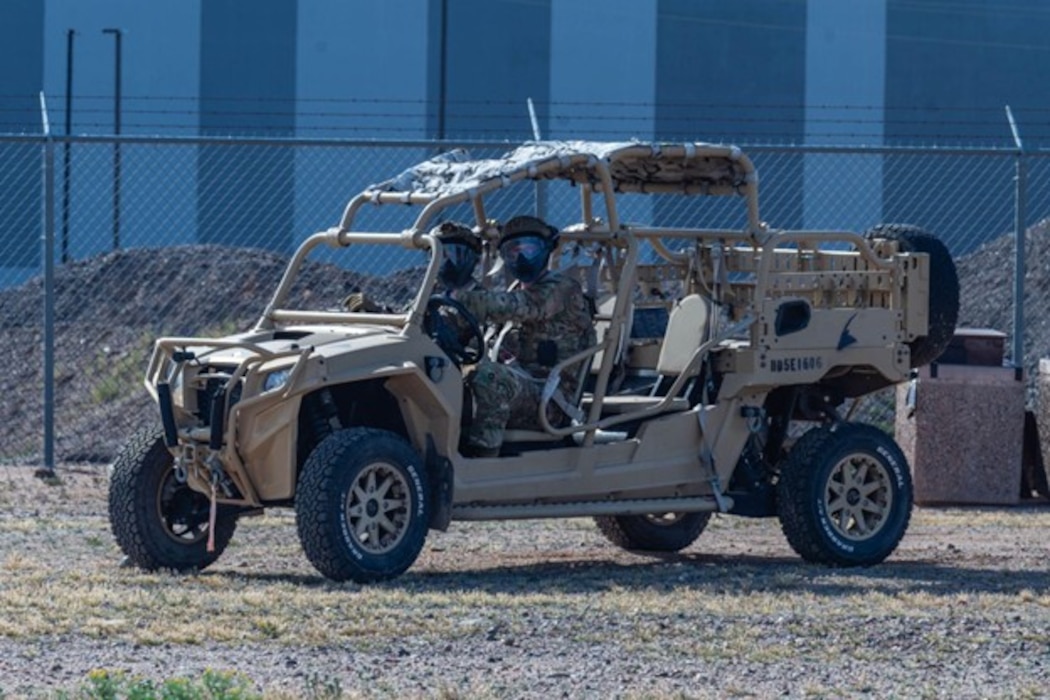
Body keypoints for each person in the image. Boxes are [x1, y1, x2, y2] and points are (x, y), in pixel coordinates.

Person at [457, 215, 596, 457]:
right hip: (522, 386)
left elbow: (519, 306)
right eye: (513, 252)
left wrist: (459, 298)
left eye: (529, 249)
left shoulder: (562, 289)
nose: (521, 258)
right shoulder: (515, 291)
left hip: (549, 402)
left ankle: (482, 460)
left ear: (546, 251)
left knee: (490, 378)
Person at [343, 221, 482, 312]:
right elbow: (407, 320)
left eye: (451, 253)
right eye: (437, 254)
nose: (444, 261)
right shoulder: (430, 293)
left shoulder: (483, 299)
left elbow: (448, 323)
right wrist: (376, 311)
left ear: (471, 258)